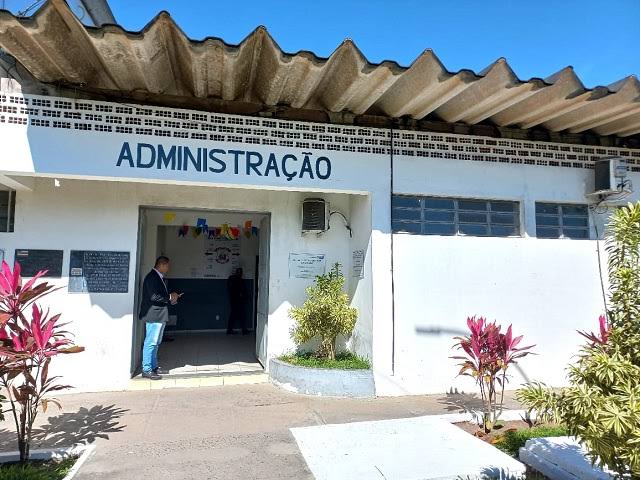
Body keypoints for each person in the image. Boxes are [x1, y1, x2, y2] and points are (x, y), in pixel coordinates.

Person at [139, 256, 181, 380]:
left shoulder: (158, 277)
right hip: (154, 314)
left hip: (160, 314)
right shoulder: (152, 277)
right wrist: (169, 297)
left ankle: (154, 366)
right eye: (167, 266)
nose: (168, 268)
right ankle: (146, 369)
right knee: (150, 342)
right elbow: (153, 296)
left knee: (156, 342)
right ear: (162, 265)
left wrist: (172, 297)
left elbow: (160, 295)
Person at [227, 267, 249, 335]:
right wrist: (245, 297)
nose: (240, 273)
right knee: (241, 315)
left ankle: (230, 330)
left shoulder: (232, 278)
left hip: (234, 300)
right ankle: (243, 330)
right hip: (238, 300)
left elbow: (230, 288)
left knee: (234, 315)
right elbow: (243, 291)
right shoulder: (240, 280)